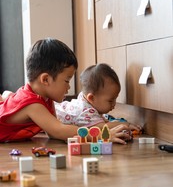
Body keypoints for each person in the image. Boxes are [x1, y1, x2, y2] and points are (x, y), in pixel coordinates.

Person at [0, 39, 131, 144]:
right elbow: (58, 131)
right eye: (67, 81)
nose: (68, 87)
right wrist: (102, 135)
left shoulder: (45, 98)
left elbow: (52, 133)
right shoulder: (32, 104)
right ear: (46, 79)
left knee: (7, 97)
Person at [55, 63, 142, 144]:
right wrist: (126, 125)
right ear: (91, 98)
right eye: (110, 101)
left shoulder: (84, 99)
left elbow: (101, 121)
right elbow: (101, 127)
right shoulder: (86, 111)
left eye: (115, 99)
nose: (114, 104)